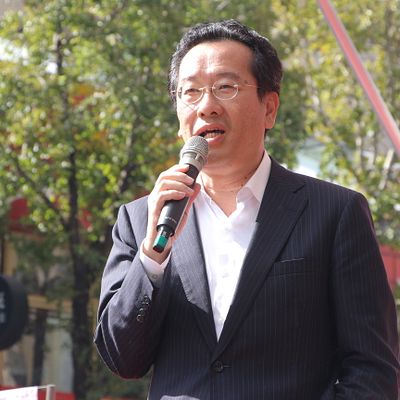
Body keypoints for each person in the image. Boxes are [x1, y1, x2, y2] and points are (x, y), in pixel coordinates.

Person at [94, 19, 399, 399]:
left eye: (225, 87)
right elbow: (122, 359)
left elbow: (373, 369)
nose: (207, 106)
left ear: (269, 108)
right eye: (191, 92)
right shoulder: (142, 219)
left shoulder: (335, 213)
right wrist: (152, 259)